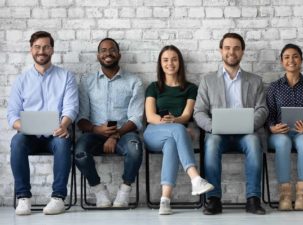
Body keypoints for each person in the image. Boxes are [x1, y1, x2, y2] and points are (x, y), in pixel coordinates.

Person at [194, 33, 268, 215]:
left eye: (236, 48)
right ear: (221, 51)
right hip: (218, 133)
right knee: (211, 143)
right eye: (227, 48)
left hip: (247, 132)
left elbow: (263, 109)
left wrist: (250, 125)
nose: (231, 52)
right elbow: (199, 111)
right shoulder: (208, 80)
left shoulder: (255, 80)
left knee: (253, 142)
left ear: (242, 52)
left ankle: (253, 199)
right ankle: (213, 199)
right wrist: (213, 126)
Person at [7, 31, 79, 215]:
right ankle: (23, 197)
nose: (42, 51)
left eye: (46, 47)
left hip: (56, 132)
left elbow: (71, 107)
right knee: (17, 142)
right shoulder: (22, 80)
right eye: (37, 47)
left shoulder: (66, 77)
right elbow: (12, 115)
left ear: (52, 50)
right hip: (29, 134)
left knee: (63, 142)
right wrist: (25, 126)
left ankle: (58, 198)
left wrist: (64, 125)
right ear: (31, 49)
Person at [143, 45, 214, 215]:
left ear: (180, 63)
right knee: (178, 130)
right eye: (165, 60)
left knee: (172, 144)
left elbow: (187, 115)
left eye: (174, 59)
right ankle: (195, 178)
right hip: (153, 132)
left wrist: (175, 121)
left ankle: (164, 201)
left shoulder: (191, 88)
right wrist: (170, 124)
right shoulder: (153, 87)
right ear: (160, 64)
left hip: (174, 134)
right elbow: (150, 116)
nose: (170, 63)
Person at [74, 38, 144, 208]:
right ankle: (99, 191)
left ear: (119, 54)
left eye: (112, 49)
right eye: (103, 50)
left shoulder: (134, 81)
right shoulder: (87, 82)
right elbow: (81, 119)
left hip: (125, 134)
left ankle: (124, 190)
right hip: (95, 134)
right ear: (98, 55)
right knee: (79, 152)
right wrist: (97, 129)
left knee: (135, 149)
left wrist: (116, 134)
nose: (108, 53)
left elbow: (136, 118)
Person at [266, 44, 303, 211]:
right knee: (282, 143)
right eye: (287, 57)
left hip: (302, 132)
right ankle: (285, 195)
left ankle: (302, 195)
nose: (291, 60)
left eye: (295, 56)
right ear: (282, 62)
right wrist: (272, 128)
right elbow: (269, 115)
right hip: (279, 134)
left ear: (301, 60)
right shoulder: (274, 87)